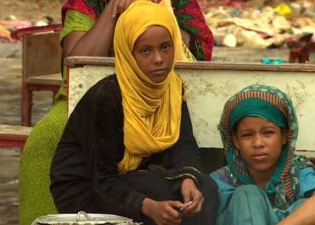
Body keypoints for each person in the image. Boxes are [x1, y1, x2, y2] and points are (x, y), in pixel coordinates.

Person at [18, 0, 212, 224]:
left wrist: (187, 178)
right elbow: (102, 178)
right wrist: (147, 206)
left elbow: (184, 143)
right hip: (88, 191)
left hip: (123, 180)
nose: (158, 59)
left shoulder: (171, 88)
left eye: (165, 48)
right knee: (159, 192)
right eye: (146, 50)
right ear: (128, 53)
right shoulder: (107, 97)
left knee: (206, 189)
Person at [210, 84, 315, 225]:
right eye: (247, 135)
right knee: (247, 195)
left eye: (268, 133)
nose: (258, 143)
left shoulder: (299, 169)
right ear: (235, 140)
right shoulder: (221, 181)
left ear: (285, 136)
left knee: (305, 206)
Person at [61, 0, 214, 61]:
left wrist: (152, 10)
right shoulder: (85, 2)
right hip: (96, 99)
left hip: (165, 94)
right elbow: (76, 65)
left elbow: (201, 55)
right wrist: (113, 8)